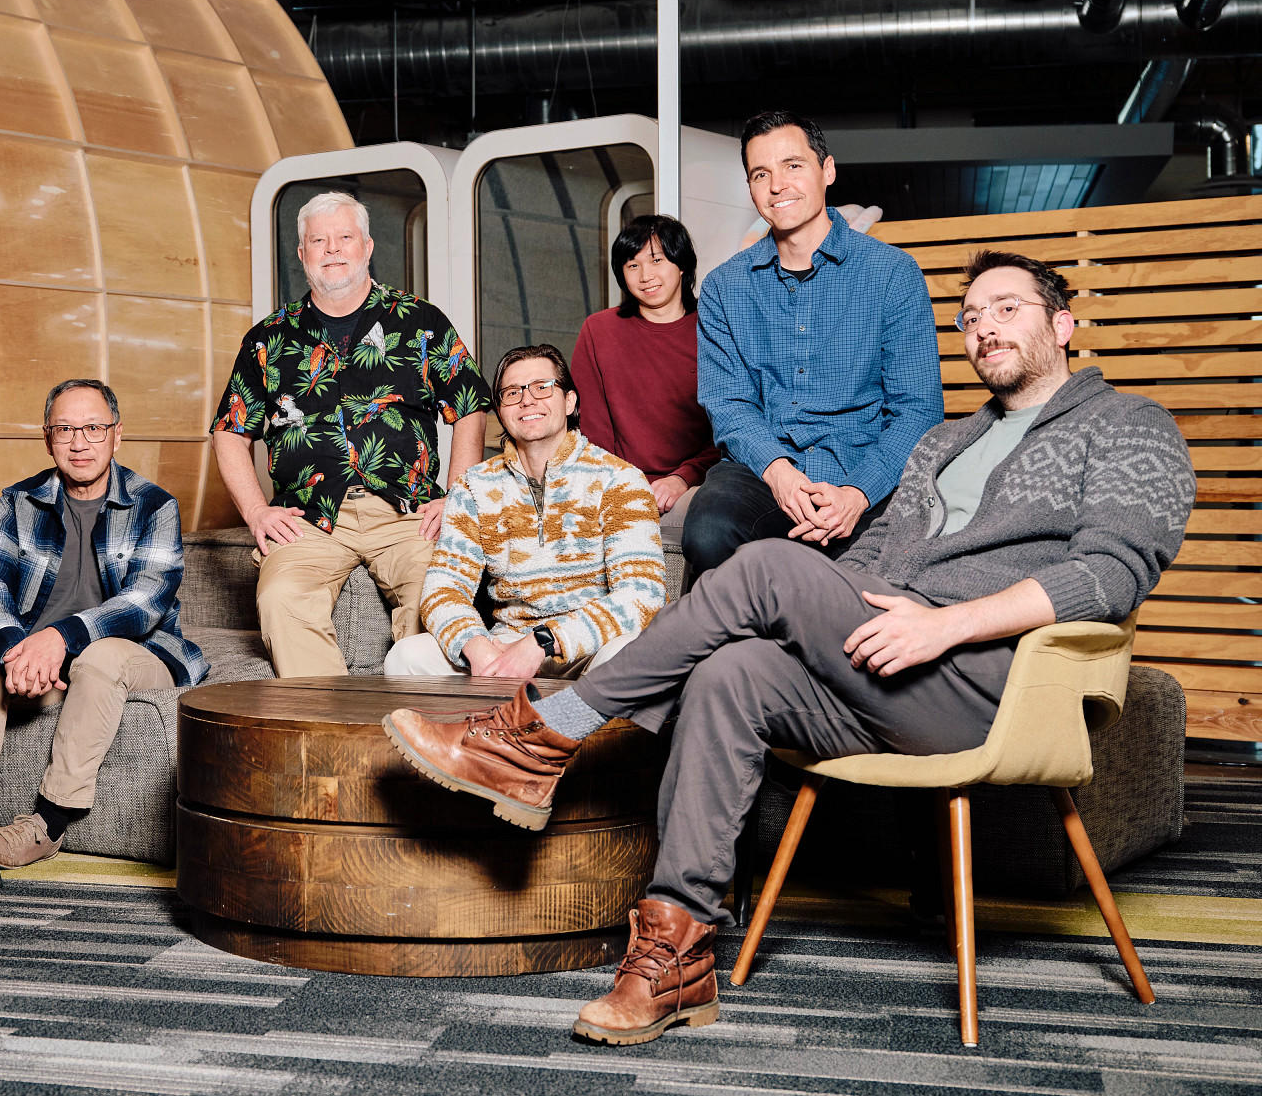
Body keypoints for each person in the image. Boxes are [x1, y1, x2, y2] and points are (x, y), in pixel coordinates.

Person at [379, 251, 1195, 1046]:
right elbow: (876, 565)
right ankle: (676, 952)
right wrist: (818, 616)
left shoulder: (1130, 425)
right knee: (731, 672)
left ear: (1063, 323)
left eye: (1006, 309)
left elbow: (1112, 574)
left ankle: (538, 736)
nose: (985, 328)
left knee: (764, 564)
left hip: (995, 683)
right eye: (971, 316)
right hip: (890, 670)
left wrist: (946, 624)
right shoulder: (940, 444)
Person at [0, 379, 209, 878]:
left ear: (117, 435)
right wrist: (13, 648)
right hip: (40, 659)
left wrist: (61, 637)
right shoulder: (17, 502)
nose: (79, 442)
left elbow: (145, 601)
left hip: (137, 654)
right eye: (65, 429)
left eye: (93, 428)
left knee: (100, 656)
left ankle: (47, 823)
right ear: (48, 438)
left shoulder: (155, 506)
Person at [210, 191, 491, 677]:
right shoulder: (268, 337)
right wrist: (256, 511)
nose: (333, 249)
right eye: (319, 241)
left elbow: (470, 406)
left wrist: (458, 500)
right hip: (308, 517)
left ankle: (423, 721)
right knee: (280, 598)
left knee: (439, 597)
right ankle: (331, 721)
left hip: (409, 513)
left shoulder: (420, 320)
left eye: (344, 237)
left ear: (367, 246)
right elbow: (229, 431)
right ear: (302, 254)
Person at [683, 112, 942, 589]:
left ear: (828, 170)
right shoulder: (723, 287)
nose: (777, 185)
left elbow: (918, 408)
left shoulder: (892, 273)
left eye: (793, 166)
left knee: (882, 566)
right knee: (708, 531)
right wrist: (779, 474)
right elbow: (728, 402)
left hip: (864, 465)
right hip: (765, 468)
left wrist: (858, 492)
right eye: (760, 174)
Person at [387, 344, 665, 679]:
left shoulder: (620, 479)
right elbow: (443, 590)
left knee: (629, 655)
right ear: (501, 411)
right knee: (406, 657)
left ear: (570, 402)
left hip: (589, 650)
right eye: (512, 392)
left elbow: (642, 595)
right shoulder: (474, 486)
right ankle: (489, 711)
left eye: (542, 387)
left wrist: (543, 642)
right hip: (503, 646)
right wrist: (477, 647)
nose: (527, 400)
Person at [571, 215, 720, 540]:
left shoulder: (715, 328)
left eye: (656, 260)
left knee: (714, 522)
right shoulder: (599, 330)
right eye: (632, 265)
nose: (645, 276)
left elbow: (730, 429)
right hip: (615, 483)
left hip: (699, 482)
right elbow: (592, 430)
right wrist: (622, 486)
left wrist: (683, 478)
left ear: (682, 264)